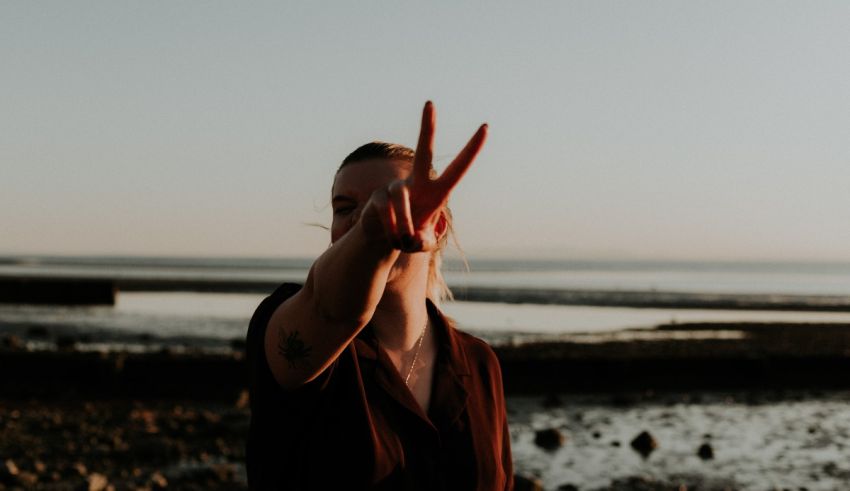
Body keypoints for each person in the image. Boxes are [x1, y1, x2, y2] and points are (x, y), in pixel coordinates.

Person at [246, 102, 513, 490]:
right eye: (344, 208)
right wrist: (373, 230)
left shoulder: (479, 363)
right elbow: (333, 309)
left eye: (387, 198)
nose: (361, 215)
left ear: (436, 225)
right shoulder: (296, 324)